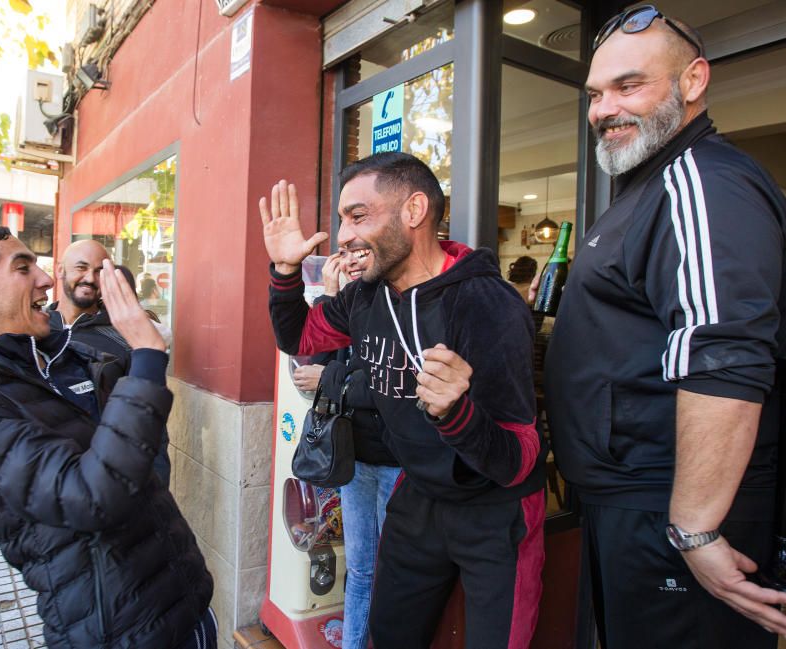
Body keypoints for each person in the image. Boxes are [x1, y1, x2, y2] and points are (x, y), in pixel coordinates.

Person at [543, 7, 786, 647]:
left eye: (629, 86)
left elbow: (724, 357)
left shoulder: (702, 183)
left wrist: (696, 527)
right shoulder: (643, 191)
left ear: (694, 81)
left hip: (669, 513)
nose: (603, 109)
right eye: (596, 94)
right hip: (634, 507)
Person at [260, 152, 545, 649]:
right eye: (343, 219)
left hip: (495, 511)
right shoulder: (367, 295)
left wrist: (457, 414)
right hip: (416, 496)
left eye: (358, 216)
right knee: (388, 635)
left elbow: (518, 459)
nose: (343, 235)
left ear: (413, 211)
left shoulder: (487, 304)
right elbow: (301, 338)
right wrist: (285, 272)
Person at [0, 226, 214, 648]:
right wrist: (148, 359)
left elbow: (132, 460)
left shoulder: (61, 358)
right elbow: (93, 495)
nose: (44, 280)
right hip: (118, 630)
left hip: (181, 602)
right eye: (23, 268)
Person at [291, 248, 401, 649]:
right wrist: (329, 298)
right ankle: (355, 641)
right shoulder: (349, 307)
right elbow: (309, 369)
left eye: (362, 254)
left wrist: (334, 377)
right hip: (354, 457)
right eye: (348, 256)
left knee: (393, 570)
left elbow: (392, 391)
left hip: (398, 463)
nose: (354, 261)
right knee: (359, 567)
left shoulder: (398, 306)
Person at [48, 239, 171, 485]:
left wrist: (156, 489)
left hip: (109, 477)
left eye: (99, 271)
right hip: (50, 476)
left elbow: (150, 422)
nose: (90, 278)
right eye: (81, 268)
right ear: (60, 270)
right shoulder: (34, 333)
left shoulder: (126, 336)